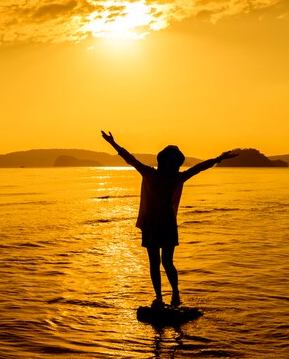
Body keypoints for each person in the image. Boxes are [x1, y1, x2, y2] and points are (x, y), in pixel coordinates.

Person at [101, 131, 237, 308]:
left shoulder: (177, 178)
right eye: (168, 159)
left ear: (177, 163)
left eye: (174, 161)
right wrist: (113, 143)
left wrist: (219, 158)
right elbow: (130, 159)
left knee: (167, 262)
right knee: (154, 263)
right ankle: (158, 297)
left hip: (166, 224)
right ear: (162, 160)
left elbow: (198, 168)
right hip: (150, 225)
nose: (170, 163)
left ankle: (175, 293)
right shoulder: (150, 173)